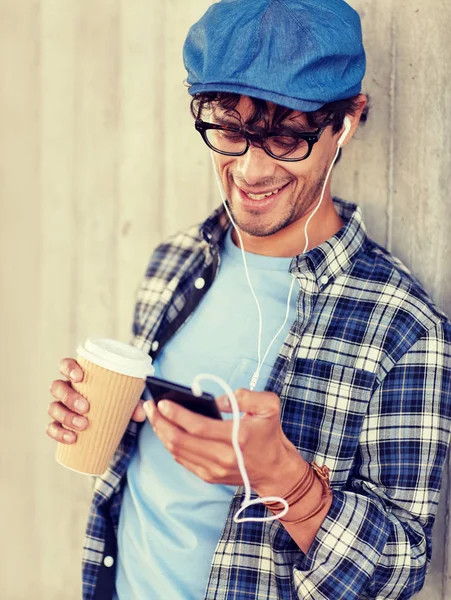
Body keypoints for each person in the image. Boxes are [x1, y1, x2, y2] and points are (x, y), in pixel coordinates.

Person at [46, 1, 451, 599]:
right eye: (230, 129)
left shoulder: (403, 327)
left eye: (287, 135)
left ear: (348, 120)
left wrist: (284, 479)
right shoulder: (173, 263)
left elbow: (400, 571)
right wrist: (97, 416)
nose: (251, 169)